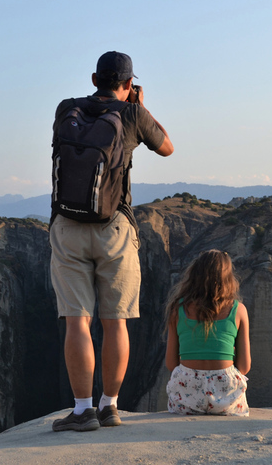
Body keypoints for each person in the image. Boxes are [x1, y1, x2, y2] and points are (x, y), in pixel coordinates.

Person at [50, 51, 173, 432]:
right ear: (128, 83)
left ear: (93, 79)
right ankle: (110, 406)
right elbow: (167, 146)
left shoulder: (66, 109)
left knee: (77, 322)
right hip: (114, 228)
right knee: (115, 321)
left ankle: (82, 409)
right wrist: (138, 105)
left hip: (68, 225)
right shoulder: (133, 114)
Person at [164, 249, 251, 416]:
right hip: (225, 394)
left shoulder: (177, 309)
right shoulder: (238, 310)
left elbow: (171, 364)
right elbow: (245, 366)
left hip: (186, 392)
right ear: (228, 278)